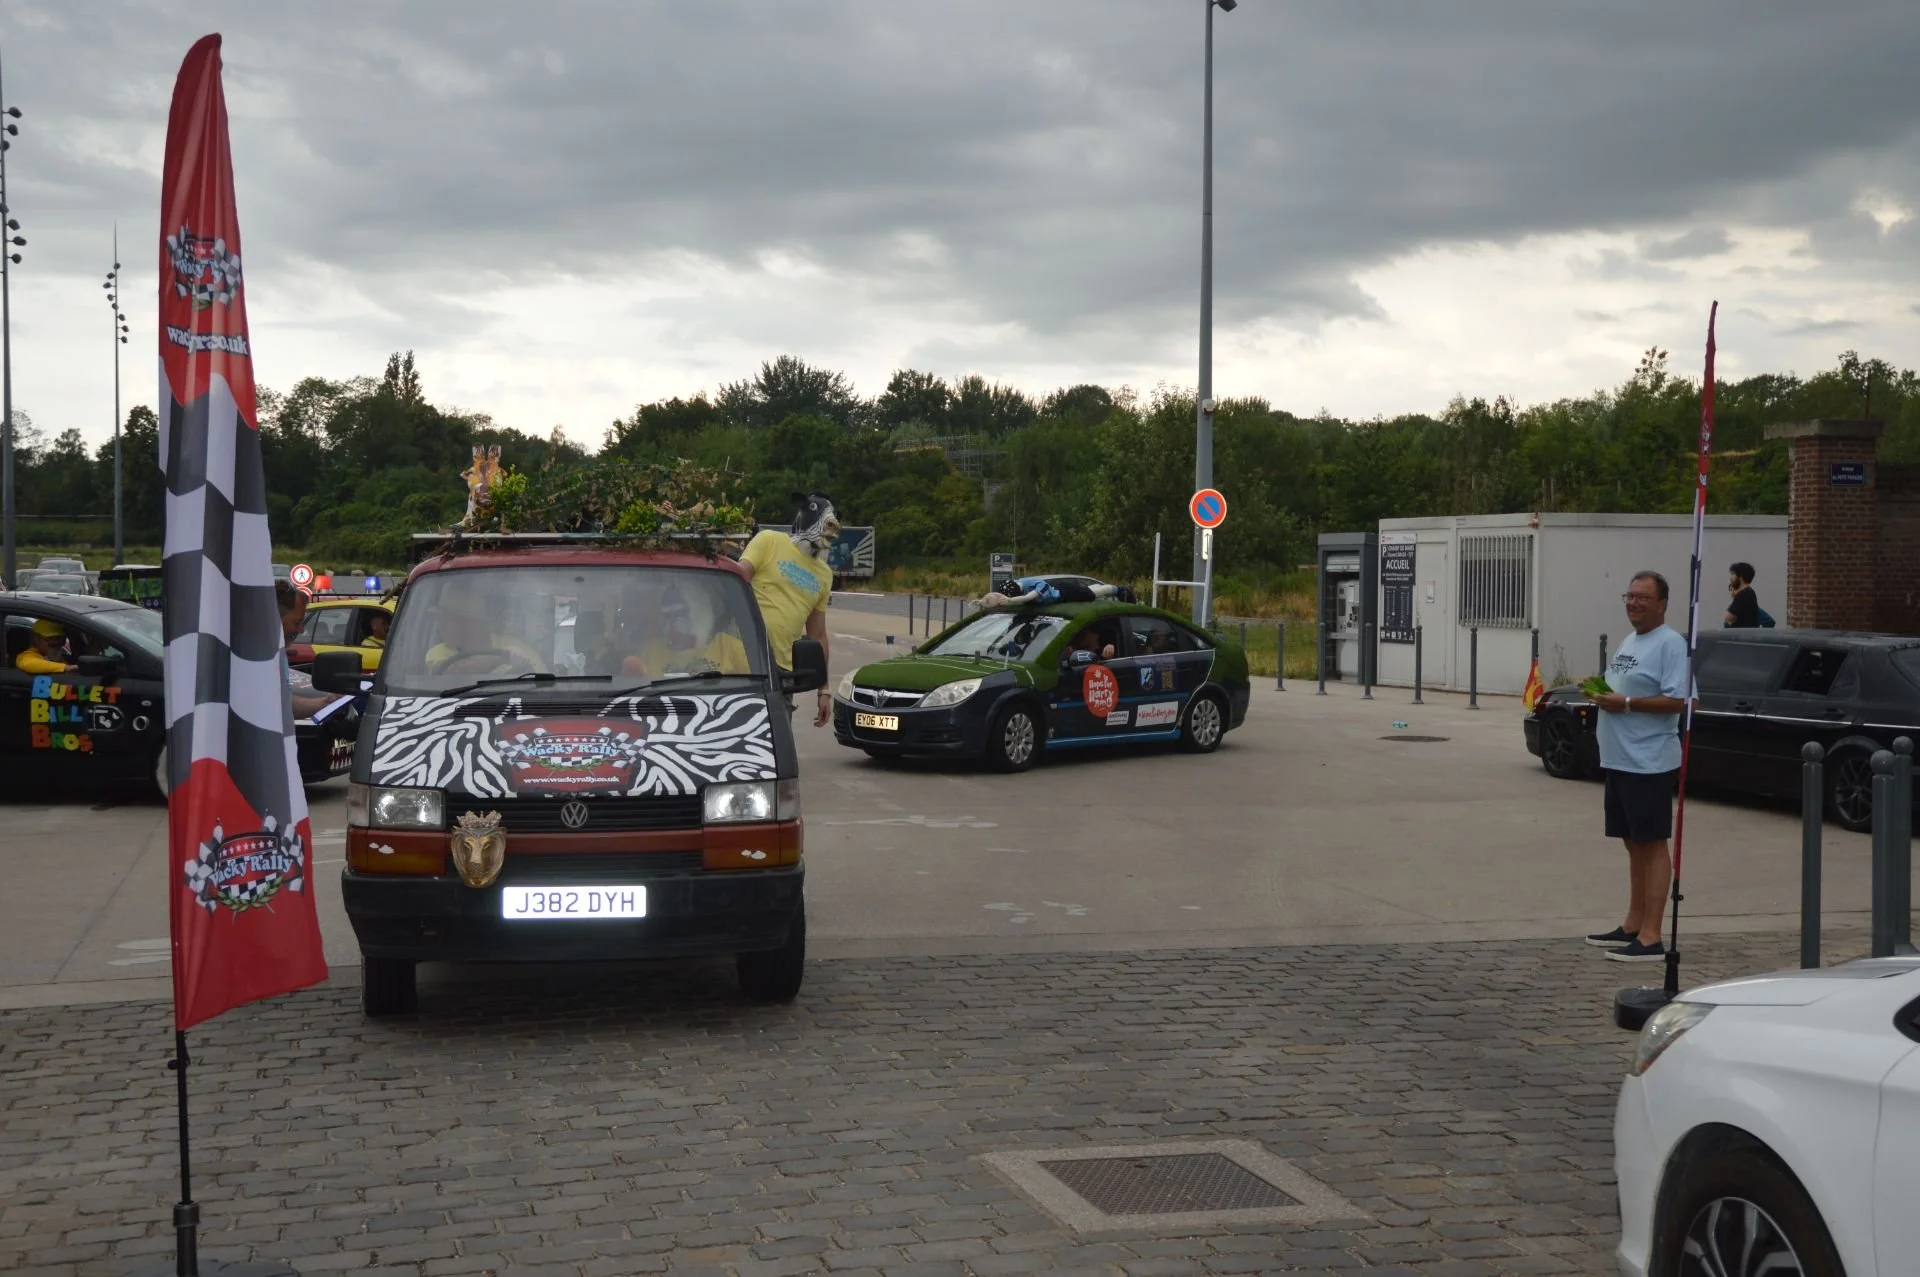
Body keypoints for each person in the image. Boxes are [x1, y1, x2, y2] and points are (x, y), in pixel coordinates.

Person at [1585, 570, 1692, 964]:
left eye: (1643, 598)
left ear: (1662, 604)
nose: (1633, 603)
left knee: (1651, 842)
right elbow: (1623, 687)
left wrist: (1627, 704)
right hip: (1619, 757)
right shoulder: (1632, 639)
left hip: (1648, 760)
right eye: (1629, 596)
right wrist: (1599, 691)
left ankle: (1652, 936)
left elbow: (1680, 700)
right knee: (1632, 843)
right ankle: (1632, 923)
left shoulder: (1671, 644)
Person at [738, 492, 836, 725]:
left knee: (777, 744)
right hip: (740, 661)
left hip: (781, 672)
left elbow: (818, 634)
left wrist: (823, 689)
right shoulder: (769, 540)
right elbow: (738, 581)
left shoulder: (824, 575)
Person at [276, 582, 350, 720]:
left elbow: (284, 703)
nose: (301, 630)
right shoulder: (255, 659)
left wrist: (326, 702)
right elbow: (279, 705)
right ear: (275, 619)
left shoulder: (277, 653)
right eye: (297, 622)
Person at [1724, 562, 1761, 628]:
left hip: (1742, 636)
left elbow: (1729, 616)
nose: (1730, 578)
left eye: (1733, 574)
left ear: (1740, 577)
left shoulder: (1745, 594)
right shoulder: (1748, 593)